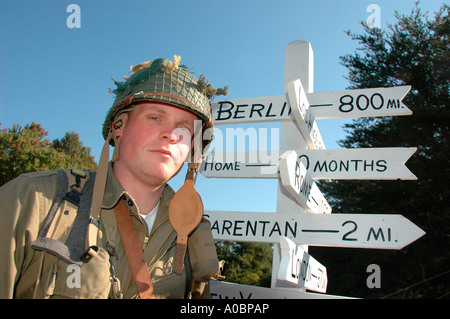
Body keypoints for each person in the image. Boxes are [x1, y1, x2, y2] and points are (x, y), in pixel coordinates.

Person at [0, 56, 228, 299]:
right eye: (155, 117)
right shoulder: (33, 199)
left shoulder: (192, 231)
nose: (171, 135)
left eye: (183, 128)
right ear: (119, 126)